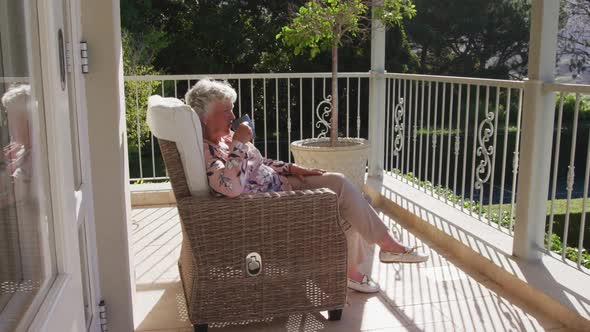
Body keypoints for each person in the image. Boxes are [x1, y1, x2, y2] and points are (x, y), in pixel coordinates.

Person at [185, 78, 428, 293]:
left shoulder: (226, 139)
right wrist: (239, 143)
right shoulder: (208, 152)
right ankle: (362, 263)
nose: (232, 116)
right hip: (271, 205)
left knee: (338, 181)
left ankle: (378, 251)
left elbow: (259, 163)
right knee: (342, 204)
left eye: (232, 109)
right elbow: (230, 187)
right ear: (204, 118)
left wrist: (292, 168)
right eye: (226, 111)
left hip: (283, 184)